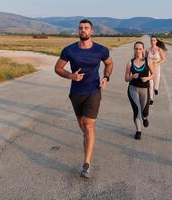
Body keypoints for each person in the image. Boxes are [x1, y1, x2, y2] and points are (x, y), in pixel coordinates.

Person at [54, 19, 113, 178]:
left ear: (91, 31)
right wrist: (70, 76)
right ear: (78, 31)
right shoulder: (69, 50)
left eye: (86, 28)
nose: (83, 30)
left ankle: (86, 164)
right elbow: (58, 68)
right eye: (80, 28)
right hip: (76, 93)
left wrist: (106, 78)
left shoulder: (101, 50)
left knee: (88, 124)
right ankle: (88, 138)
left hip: (94, 90)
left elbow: (109, 64)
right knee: (82, 124)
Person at [125, 41, 155, 140]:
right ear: (134, 49)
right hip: (133, 89)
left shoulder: (148, 61)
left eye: (140, 49)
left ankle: (145, 117)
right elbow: (126, 78)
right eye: (136, 48)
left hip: (145, 89)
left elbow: (153, 74)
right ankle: (138, 131)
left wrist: (147, 78)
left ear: (143, 49)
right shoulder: (130, 62)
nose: (138, 50)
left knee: (144, 111)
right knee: (137, 110)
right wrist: (132, 76)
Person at [146, 35, 166, 105]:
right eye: (151, 40)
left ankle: (156, 89)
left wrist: (158, 63)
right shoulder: (147, 50)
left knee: (156, 83)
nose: (152, 42)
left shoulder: (159, 50)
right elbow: (145, 59)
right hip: (149, 69)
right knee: (150, 84)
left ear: (156, 41)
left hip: (157, 68)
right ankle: (151, 98)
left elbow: (163, 59)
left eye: (154, 40)